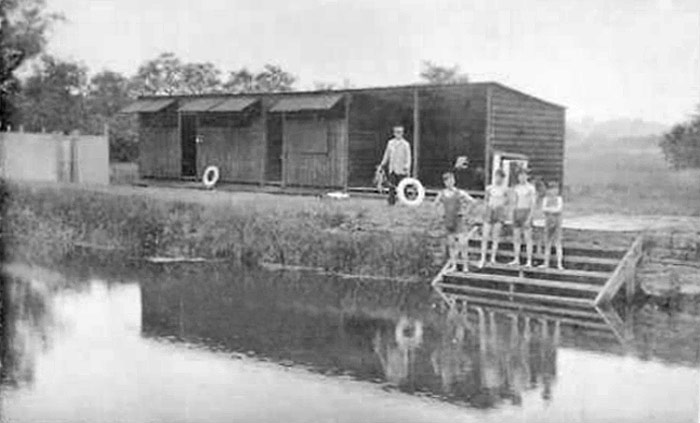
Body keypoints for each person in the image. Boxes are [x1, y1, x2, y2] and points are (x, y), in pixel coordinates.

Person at [434, 171, 476, 271]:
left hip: (458, 220)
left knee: (462, 243)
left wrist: (465, 212)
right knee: (451, 244)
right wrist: (441, 214)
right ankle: (454, 265)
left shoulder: (459, 192)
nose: (450, 182)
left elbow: (472, 201)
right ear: (445, 182)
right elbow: (435, 204)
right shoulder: (442, 193)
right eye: (448, 181)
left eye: (452, 180)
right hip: (448, 220)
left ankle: (465, 266)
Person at [478, 168, 508, 268]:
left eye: (501, 177)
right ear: (495, 176)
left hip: (499, 212)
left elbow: (507, 202)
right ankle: (482, 258)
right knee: (485, 236)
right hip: (489, 211)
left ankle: (492, 258)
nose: (499, 179)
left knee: (495, 236)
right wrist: (486, 211)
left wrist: (501, 208)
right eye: (497, 176)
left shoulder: (505, 189)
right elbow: (486, 201)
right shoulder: (489, 188)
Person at [509, 168, 537, 267]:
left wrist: (529, 217)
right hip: (517, 212)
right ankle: (516, 258)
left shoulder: (531, 188)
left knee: (527, 238)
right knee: (516, 237)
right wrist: (512, 214)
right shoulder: (516, 188)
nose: (522, 177)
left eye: (524, 175)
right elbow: (514, 202)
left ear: (527, 176)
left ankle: (529, 260)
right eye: (520, 175)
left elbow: (533, 204)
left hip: (526, 211)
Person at [377, 126, 412, 205]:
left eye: (400, 132)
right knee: (392, 186)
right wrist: (382, 164)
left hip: (402, 169)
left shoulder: (406, 144)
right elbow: (387, 155)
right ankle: (391, 201)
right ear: (394, 133)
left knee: (403, 186)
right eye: (396, 132)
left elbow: (408, 157)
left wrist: (407, 166)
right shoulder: (390, 143)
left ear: (402, 134)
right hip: (392, 168)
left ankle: (405, 201)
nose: (398, 134)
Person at [539, 181, 564, 269]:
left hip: (557, 222)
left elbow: (559, 209)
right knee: (547, 243)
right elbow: (543, 209)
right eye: (551, 189)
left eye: (555, 189)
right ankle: (546, 262)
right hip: (548, 222)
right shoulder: (546, 199)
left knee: (558, 243)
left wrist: (550, 210)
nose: (553, 191)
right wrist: (551, 210)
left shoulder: (559, 199)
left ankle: (559, 263)